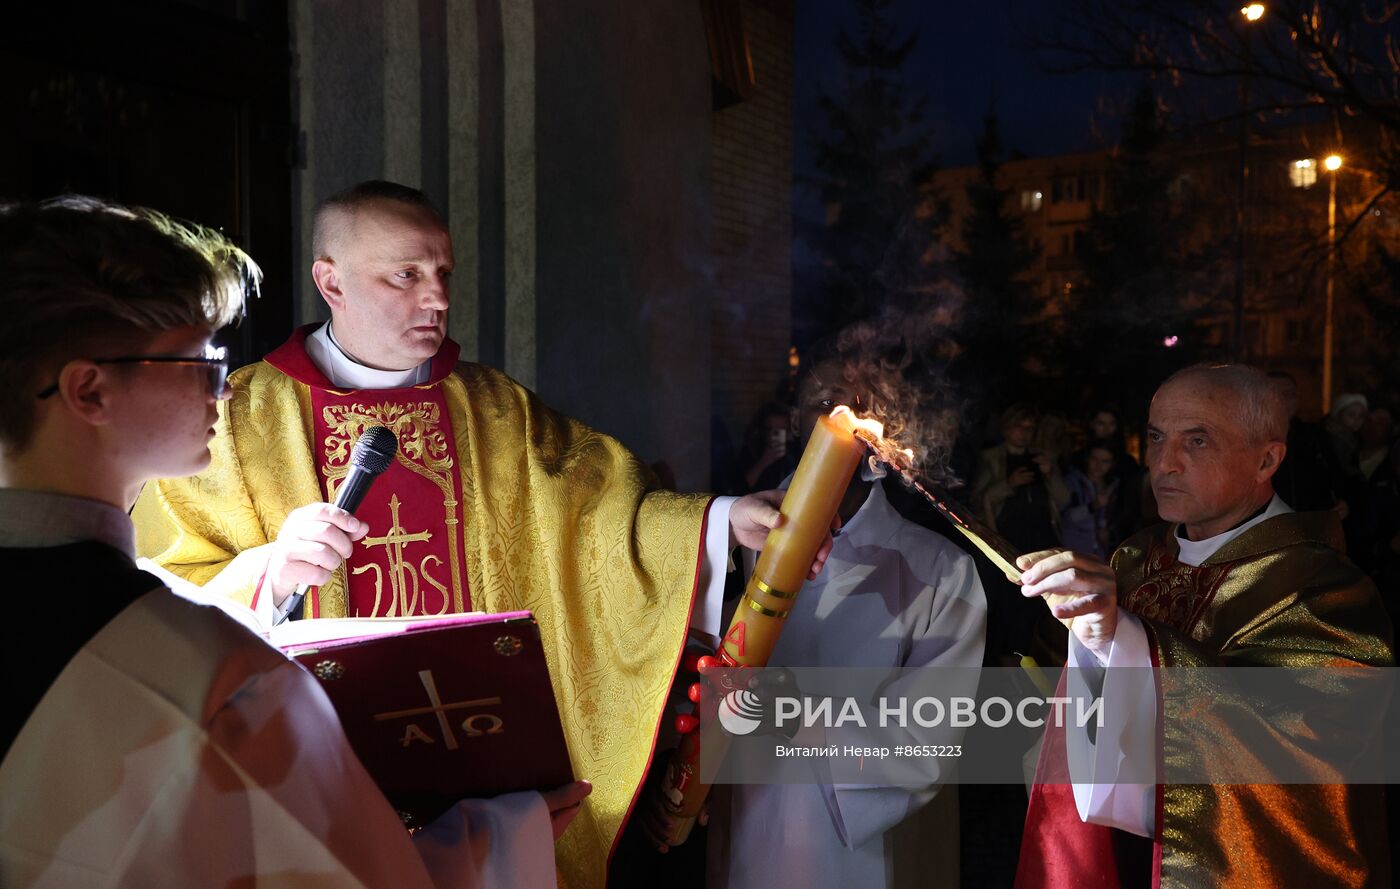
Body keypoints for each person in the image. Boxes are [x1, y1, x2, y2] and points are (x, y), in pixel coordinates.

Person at [135, 180, 825, 889]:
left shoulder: (493, 408)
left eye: (443, 273)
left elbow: (596, 520)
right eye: (405, 275)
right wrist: (271, 570)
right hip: (317, 787)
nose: (435, 297)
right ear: (330, 281)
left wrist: (716, 521)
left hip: (486, 787)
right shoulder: (235, 419)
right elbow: (162, 592)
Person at [0, 196, 571, 887]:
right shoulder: (220, 680)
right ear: (89, 391)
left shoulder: (193, 658)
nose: (224, 389)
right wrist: (501, 840)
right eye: (198, 357)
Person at [1014, 364, 1392, 887]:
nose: (1165, 464)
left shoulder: (1326, 587)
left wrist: (1123, 638)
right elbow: (1061, 682)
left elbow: (1307, 763)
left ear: (1267, 459)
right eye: (1156, 437)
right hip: (1114, 857)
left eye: (1198, 440)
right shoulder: (1135, 556)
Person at [1059, 443, 1116, 559]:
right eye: (1094, 459)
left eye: (1105, 461)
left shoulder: (1112, 485)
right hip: (1074, 551)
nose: (1098, 465)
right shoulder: (1072, 482)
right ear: (1087, 459)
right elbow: (1064, 517)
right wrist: (1092, 506)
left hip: (1100, 553)